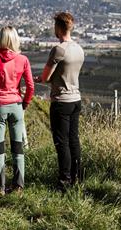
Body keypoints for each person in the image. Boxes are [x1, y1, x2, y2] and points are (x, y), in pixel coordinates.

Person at [0, 26, 34, 195]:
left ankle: (0, 188)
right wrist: (25, 103)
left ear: (0, 39)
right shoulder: (23, 60)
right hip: (16, 106)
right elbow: (31, 86)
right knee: (18, 148)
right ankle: (18, 186)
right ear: (16, 40)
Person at [35, 12, 84, 191]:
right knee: (74, 140)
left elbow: (47, 76)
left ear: (58, 28)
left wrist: (38, 78)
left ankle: (64, 181)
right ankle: (77, 178)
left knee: (61, 142)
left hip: (61, 101)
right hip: (76, 99)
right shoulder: (79, 49)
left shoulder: (59, 49)